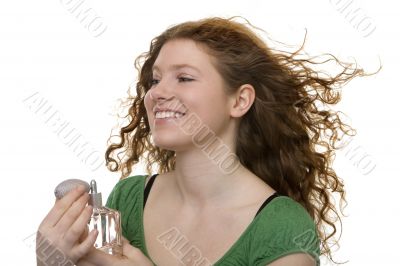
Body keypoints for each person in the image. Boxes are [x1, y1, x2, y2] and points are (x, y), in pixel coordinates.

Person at [37, 16, 373, 266]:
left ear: (239, 101)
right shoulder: (127, 198)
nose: (158, 93)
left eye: (184, 78)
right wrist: (53, 261)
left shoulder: (281, 228)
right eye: (155, 79)